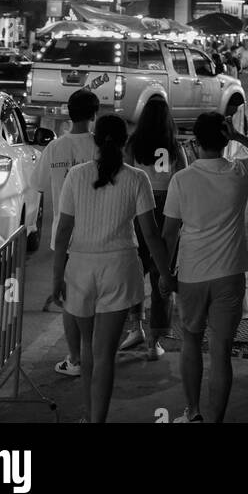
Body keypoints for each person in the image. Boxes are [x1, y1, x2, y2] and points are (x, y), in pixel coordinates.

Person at [51, 116, 174, 423]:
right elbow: (151, 234)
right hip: (119, 269)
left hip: (80, 270)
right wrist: (165, 275)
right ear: (124, 142)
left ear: (96, 140)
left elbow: (63, 231)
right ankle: (97, 420)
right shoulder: (136, 179)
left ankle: (89, 414)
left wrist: (56, 278)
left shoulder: (76, 176)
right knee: (105, 354)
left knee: (88, 352)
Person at [162, 111, 248, 423]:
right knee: (222, 352)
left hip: (192, 275)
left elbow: (169, 234)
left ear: (195, 142)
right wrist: (237, 135)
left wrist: (163, 273)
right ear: (225, 141)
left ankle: (193, 411)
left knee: (191, 342)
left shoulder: (181, 180)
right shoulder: (240, 171)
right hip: (230, 274)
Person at [32, 90, 100, 378]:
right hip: (97, 233)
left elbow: (40, 185)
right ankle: (96, 354)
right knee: (97, 300)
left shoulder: (55, 148)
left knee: (72, 302)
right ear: (95, 114)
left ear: (67, 113)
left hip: (65, 237)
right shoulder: (99, 147)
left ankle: (75, 359)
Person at [119, 98, 188, 360]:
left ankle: (136, 326)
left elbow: (125, 173)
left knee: (137, 269)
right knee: (163, 271)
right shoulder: (174, 145)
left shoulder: (134, 144)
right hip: (169, 211)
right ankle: (155, 341)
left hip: (140, 209)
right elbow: (184, 175)